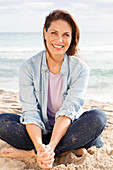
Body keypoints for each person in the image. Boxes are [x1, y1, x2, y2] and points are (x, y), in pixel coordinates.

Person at [0, 9, 107, 169]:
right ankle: (63, 149)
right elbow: (30, 112)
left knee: (98, 118)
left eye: (66, 34)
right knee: (2, 122)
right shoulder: (28, 67)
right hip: (39, 129)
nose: (59, 40)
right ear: (45, 33)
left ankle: (34, 152)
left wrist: (48, 148)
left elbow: (68, 111)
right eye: (54, 33)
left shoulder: (80, 69)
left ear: (72, 38)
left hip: (68, 128)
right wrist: (39, 144)